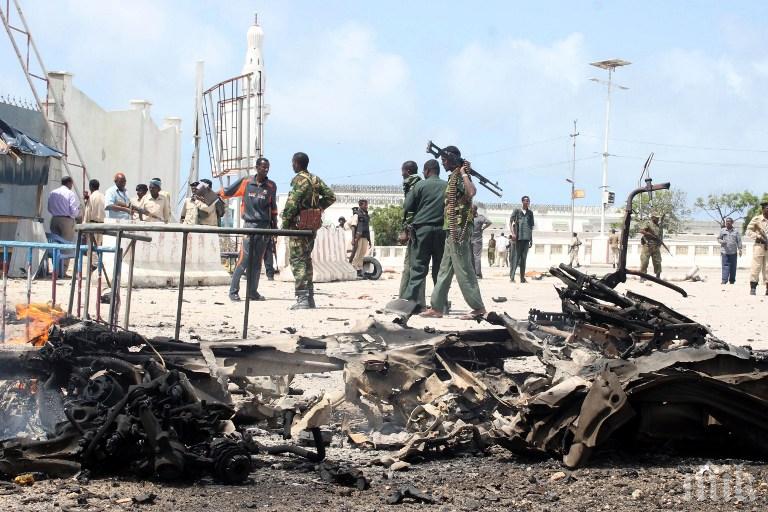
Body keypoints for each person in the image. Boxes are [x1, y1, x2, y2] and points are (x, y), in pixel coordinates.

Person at [420, 146, 486, 319]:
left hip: (459, 228)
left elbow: (471, 192)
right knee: (444, 269)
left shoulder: (461, 176)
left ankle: (478, 308)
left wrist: (464, 173)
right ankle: (437, 307)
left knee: (464, 268)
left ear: (453, 159)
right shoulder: (453, 177)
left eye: (445, 160)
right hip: (452, 227)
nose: (443, 162)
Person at [281, 152, 336, 309]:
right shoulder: (315, 179)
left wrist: (285, 224)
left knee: (298, 261)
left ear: (297, 164)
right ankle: (309, 298)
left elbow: (292, 203)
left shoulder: (299, 180)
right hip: (312, 225)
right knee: (306, 259)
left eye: (293, 163)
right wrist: (318, 208)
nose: (292, 165)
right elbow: (330, 196)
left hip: (298, 227)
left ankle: (302, 299)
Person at [220, 157, 277, 302]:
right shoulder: (246, 182)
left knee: (257, 261)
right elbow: (228, 191)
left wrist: (274, 228)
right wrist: (212, 194)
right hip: (249, 226)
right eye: (263, 167)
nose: (266, 169)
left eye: (268, 167)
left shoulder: (271, 186)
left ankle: (252, 292)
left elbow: (273, 209)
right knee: (243, 260)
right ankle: (233, 291)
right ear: (257, 167)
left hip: (264, 228)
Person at [400, 159, 447, 309]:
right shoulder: (446, 186)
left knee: (418, 267)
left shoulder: (420, 185)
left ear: (427, 171)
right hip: (441, 231)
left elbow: (407, 206)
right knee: (439, 270)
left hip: (422, 231)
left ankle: (410, 303)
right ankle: (441, 305)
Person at [48, 175, 81, 275]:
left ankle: (56, 269)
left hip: (54, 219)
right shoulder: (70, 193)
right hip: (66, 221)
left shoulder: (53, 192)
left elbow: (49, 208)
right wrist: (78, 214)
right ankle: (62, 271)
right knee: (66, 245)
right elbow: (74, 210)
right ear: (69, 183)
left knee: (55, 244)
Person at [398, 160, 422, 300]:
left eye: (402, 171)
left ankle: (408, 298)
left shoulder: (412, 183)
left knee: (413, 264)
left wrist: (407, 229)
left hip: (415, 228)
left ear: (407, 171)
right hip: (418, 227)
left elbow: (410, 209)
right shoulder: (417, 182)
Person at [509, 195, 534, 283]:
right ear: (522, 202)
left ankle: (522, 278)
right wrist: (513, 233)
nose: (527, 202)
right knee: (515, 258)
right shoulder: (517, 211)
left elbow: (531, 226)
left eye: (528, 201)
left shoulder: (530, 213)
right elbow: (510, 222)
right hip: (518, 238)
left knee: (524, 259)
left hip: (526, 239)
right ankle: (512, 278)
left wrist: (531, 239)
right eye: (526, 201)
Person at [746, 202, 768, 295]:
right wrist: (758, 236)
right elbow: (748, 231)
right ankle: (753, 287)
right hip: (759, 245)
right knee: (756, 266)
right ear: (762, 209)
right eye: (767, 208)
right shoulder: (757, 219)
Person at [348, 199, 371, 277]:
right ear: (360, 205)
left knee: (362, 254)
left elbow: (367, 228)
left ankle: (359, 269)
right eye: (365, 205)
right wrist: (353, 239)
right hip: (358, 237)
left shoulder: (366, 215)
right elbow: (353, 226)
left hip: (365, 237)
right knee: (357, 253)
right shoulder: (357, 214)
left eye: (367, 205)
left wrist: (369, 240)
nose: (366, 206)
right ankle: (353, 268)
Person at [718, 217, 743, 285]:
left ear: (732, 222)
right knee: (725, 266)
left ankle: (732, 280)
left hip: (733, 252)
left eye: (729, 222)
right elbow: (718, 239)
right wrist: (722, 241)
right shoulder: (722, 230)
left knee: (733, 267)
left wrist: (740, 249)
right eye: (726, 222)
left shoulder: (736, 231)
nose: (727, 223)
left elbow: (739, 241)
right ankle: (724, 280)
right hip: (724, 252)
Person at [639, 211, 663, 279]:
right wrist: (648, 234)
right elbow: (641, 231)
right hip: (647, 245)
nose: (658, 219)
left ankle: (658, 276)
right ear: (652, 217)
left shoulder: (658, 226)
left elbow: (660, 236)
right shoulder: (648, 223)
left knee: (658, 261)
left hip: (656, 246)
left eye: (658, 218)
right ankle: (643, 276)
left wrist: (660, 243)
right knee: (644, 261)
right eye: (656, 218)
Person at [470, 205, 492, 278]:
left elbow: (489, 222)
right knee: (471, 257)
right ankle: (473, 272)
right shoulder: (468, 217)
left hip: (477, 239)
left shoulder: (480, 217)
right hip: (469, 239)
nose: (471, 210)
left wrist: (482, 229)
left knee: (476, 257)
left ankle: (478, 273)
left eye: (472, 209)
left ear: (475, 210)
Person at [83, 178, 105, 245]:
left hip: (92, 226)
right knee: (100, 248)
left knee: (92, 249)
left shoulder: (92, 197)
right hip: (103, 226)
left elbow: (88, 213)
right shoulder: (103, 196)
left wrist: (84, 226)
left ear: (90, 187)